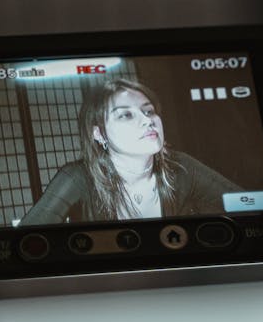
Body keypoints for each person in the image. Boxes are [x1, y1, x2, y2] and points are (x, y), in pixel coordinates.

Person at [18, 77, 240, 225]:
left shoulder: (181, 167)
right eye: (125, 114)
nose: (147, 121)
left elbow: (249, 204)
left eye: (149, 111)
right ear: (99, 134)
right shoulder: (78, 178)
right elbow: (27, 241)